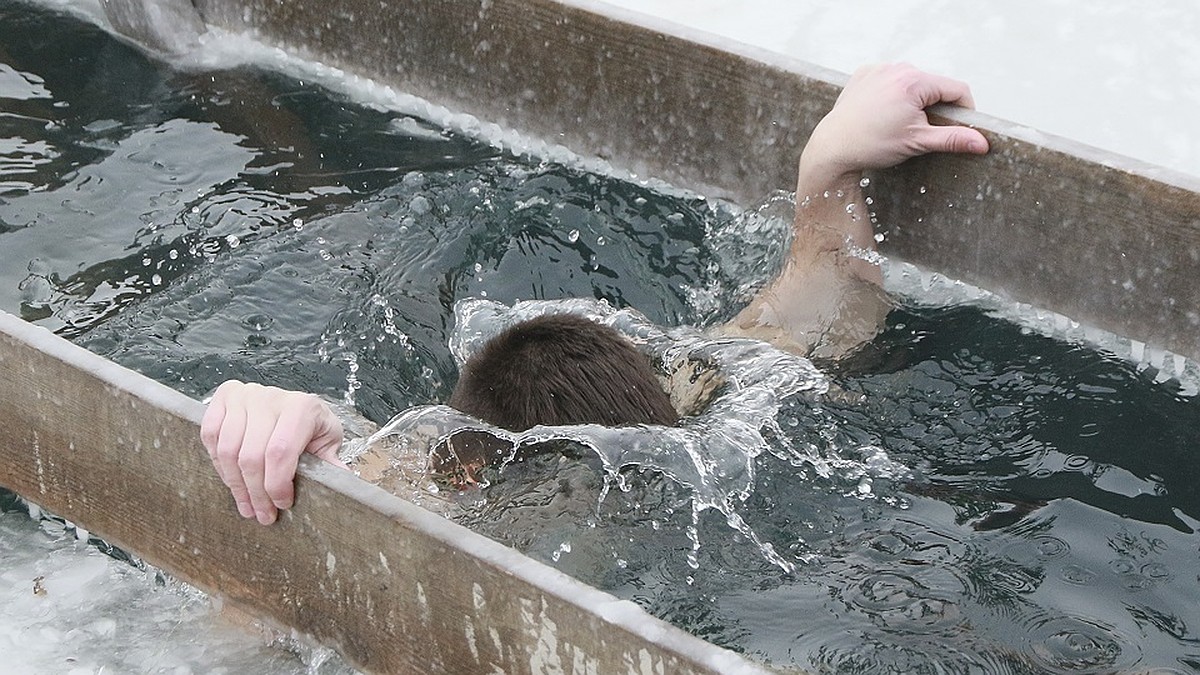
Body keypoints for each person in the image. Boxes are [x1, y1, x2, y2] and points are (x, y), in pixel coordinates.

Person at [200, 63, 989, 525]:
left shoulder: (705, 394)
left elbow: (822, 290)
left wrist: (832, 159)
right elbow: (319, 456)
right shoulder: (428, 486)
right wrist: (276, 417)